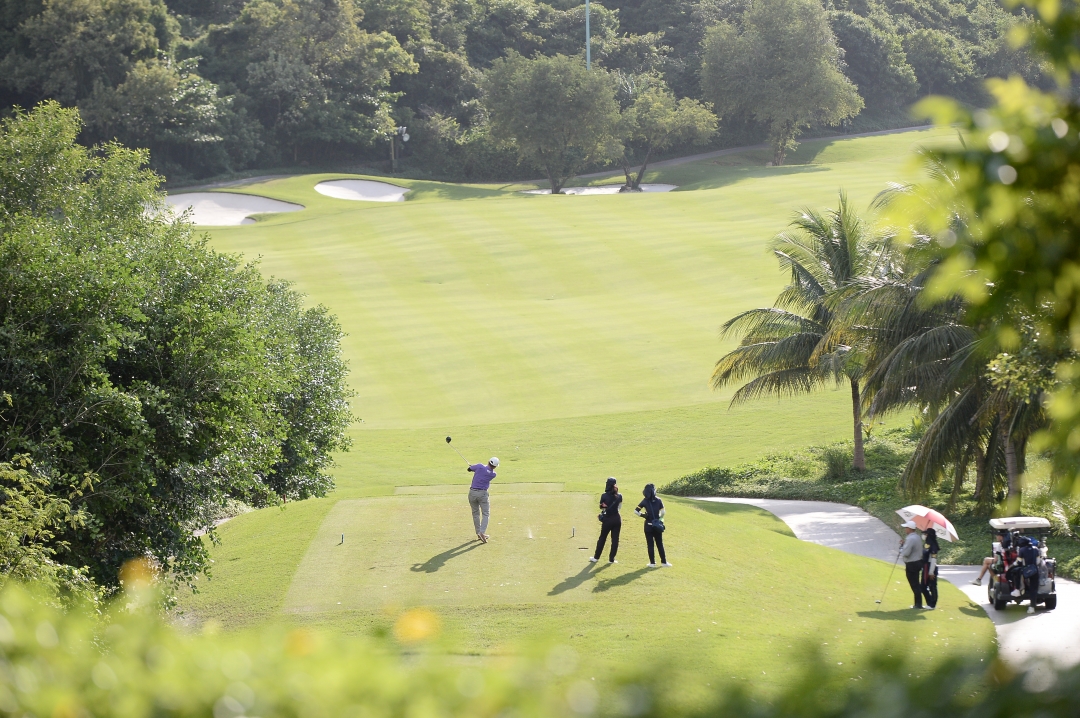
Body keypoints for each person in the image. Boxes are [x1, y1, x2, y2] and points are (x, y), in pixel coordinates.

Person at [635, 484, 671, 568]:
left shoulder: (644, 501)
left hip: (648, 526)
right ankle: (664, 562)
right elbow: (663, 513)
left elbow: (636, 511)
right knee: (660, 544)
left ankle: (652, 563)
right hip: (657, 526)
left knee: (650, 544)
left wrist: (643, 515)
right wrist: (659, 518)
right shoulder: (659, 500)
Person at [590, 477, 622, 564]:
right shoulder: (620, 496)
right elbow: (619, 507)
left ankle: (596, 557)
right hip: (617, 519)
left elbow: (602, 507)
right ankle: (612, 559)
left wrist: (604, 508)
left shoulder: (604, 496)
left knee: (602, 538)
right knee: (615, 539)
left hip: (607, 519)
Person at [467, 457, 499, 543]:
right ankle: (482, 532)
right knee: (486, 513)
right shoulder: (493, 474)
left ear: (488, 461)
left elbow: (469, 469)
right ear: (495, 467)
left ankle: (478, 533)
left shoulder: (479, 466)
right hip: (482, 494)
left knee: (475, 513)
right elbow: (485, 470)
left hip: (472, 493)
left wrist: (472, 467)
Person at [900, 520, 927, 609]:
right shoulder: (917, 537)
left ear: (909, 529)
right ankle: (918, 603)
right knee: (915, 583)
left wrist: (902, 547)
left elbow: (906, 553)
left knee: (914, 584)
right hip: (918, 562)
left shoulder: (910, 538)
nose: (905, 530)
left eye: (906, 528)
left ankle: (918, 604)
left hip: (912, 564)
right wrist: (905, 544)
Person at [1016, 536, 1041, 614]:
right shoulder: (1036, 549)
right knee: (1033, 589)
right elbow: (1038, 561)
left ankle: (1018, 590)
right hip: (1035, 571)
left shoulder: (1022, 550)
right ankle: (1032, 607)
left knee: (1016, 574)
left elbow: (1019, 562)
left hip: (1026, 571)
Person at [921, 528, 940, 610]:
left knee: (932, 586)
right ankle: (929, 602)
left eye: (925, 534)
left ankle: (933, 604)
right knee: (922, 587)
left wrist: (931, 572)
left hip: (930, 567)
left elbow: (933, 559)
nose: (924, 535)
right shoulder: (926, 544)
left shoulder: (933, 546)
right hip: (925, 567)